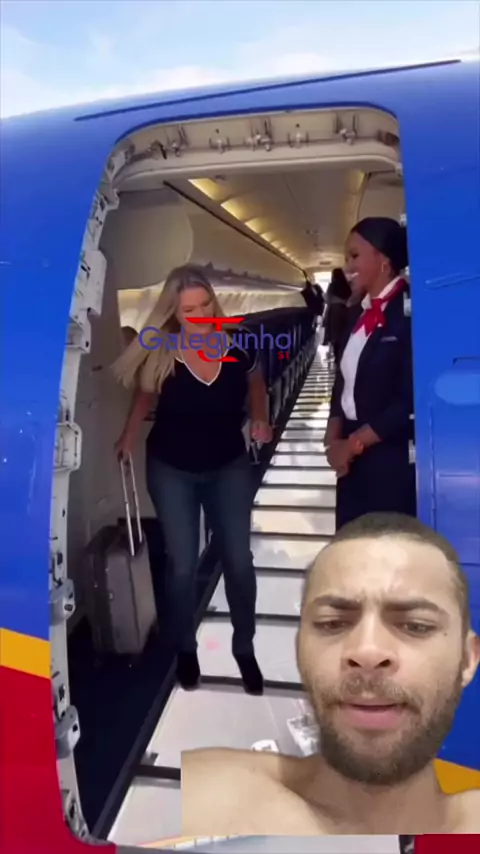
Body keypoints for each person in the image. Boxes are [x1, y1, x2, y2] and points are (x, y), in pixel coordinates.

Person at [181, 512, 480, 836]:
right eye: (332, 623)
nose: (367, 651)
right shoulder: (206, 802)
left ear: (467, 659)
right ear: (299, 650)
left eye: (415, 625)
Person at [112, 264, 272, 693]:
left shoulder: (238, 343)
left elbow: (256, 382)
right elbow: (145, 392)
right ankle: (185, 646)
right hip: (173, 469)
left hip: (227, 465)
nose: (201, 316)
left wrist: (260, 416)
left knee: (239, 560)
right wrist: (128, 435)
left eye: (206, 305)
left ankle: (244, 646)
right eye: (189, 310)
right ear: (174, 313)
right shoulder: (161, 350)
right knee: (183, 565)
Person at [323, 217, 415, 530]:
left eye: (354, 256)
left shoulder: (409, 313)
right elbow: (343, 377)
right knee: (350, 542)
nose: (347, 266)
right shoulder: (357, 312)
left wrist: (352, 444)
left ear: (384, 260)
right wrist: (333, 435)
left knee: (382, 546)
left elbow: (409, 399)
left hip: (388, 453)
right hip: (352, 456)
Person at [323, 268, 363, 365]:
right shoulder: (346, 285)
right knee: (343, 334)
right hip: (345, 310)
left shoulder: (332, 285)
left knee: (334, 335)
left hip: (334, 311)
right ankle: (342, 356)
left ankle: (337, 358)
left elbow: (327, 299)